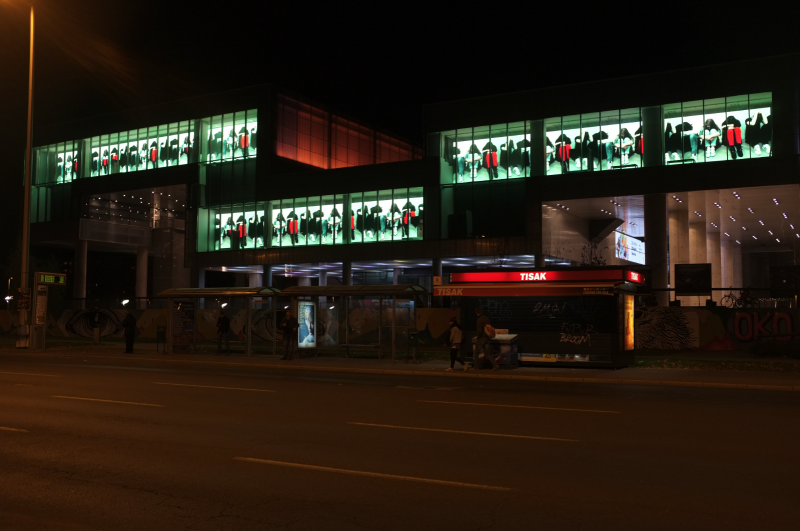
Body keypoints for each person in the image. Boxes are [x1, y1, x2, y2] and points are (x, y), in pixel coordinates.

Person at [474, 307, 499, 371]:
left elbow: (479, 331)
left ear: (477, 313)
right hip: (487, 338)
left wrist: (478, 337)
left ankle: (476, 367)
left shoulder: (479, 320)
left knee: (476, 352)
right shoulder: (487, 318)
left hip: (481, 338)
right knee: (487, 353)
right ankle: (495, 365)